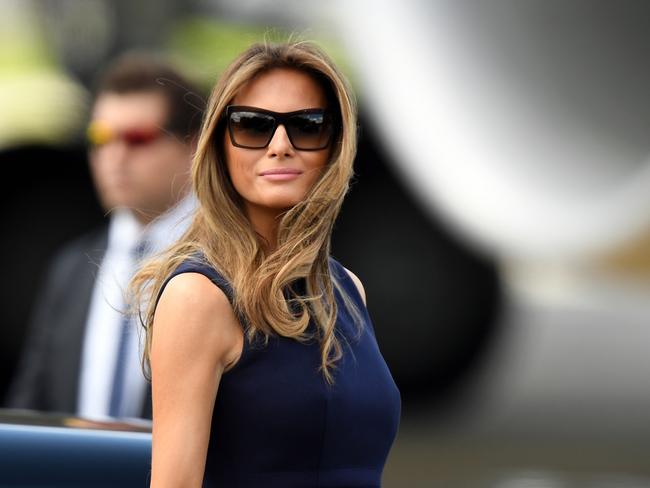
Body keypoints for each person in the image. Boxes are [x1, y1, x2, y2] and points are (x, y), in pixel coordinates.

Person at [130, 41, 401, 487]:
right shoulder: (199, 296)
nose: (279, 145)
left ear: (335, 145)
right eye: (253, 126)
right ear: (221, 145)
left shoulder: (348, 289)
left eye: (307, 126)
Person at [5, 53, 203, 420]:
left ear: (192, 147)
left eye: (137, 137)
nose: (114, 155)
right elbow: (29, 408)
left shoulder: (236, 263)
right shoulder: (70, 269)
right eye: (101, 137)